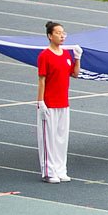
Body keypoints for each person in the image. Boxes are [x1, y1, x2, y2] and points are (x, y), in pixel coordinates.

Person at [37, 21, 81, 184]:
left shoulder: (66, 55)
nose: (62, 36)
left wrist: (77, 58)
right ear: (50, 36)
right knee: (49, 138)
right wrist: (41, 101)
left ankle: (61, 169)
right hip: (49, 103)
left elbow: (75, 74)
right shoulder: (44, 56)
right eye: (58, 33)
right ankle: (48, 171)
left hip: (64, 103)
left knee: (61, 138)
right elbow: (42, 80)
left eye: (63, 33)